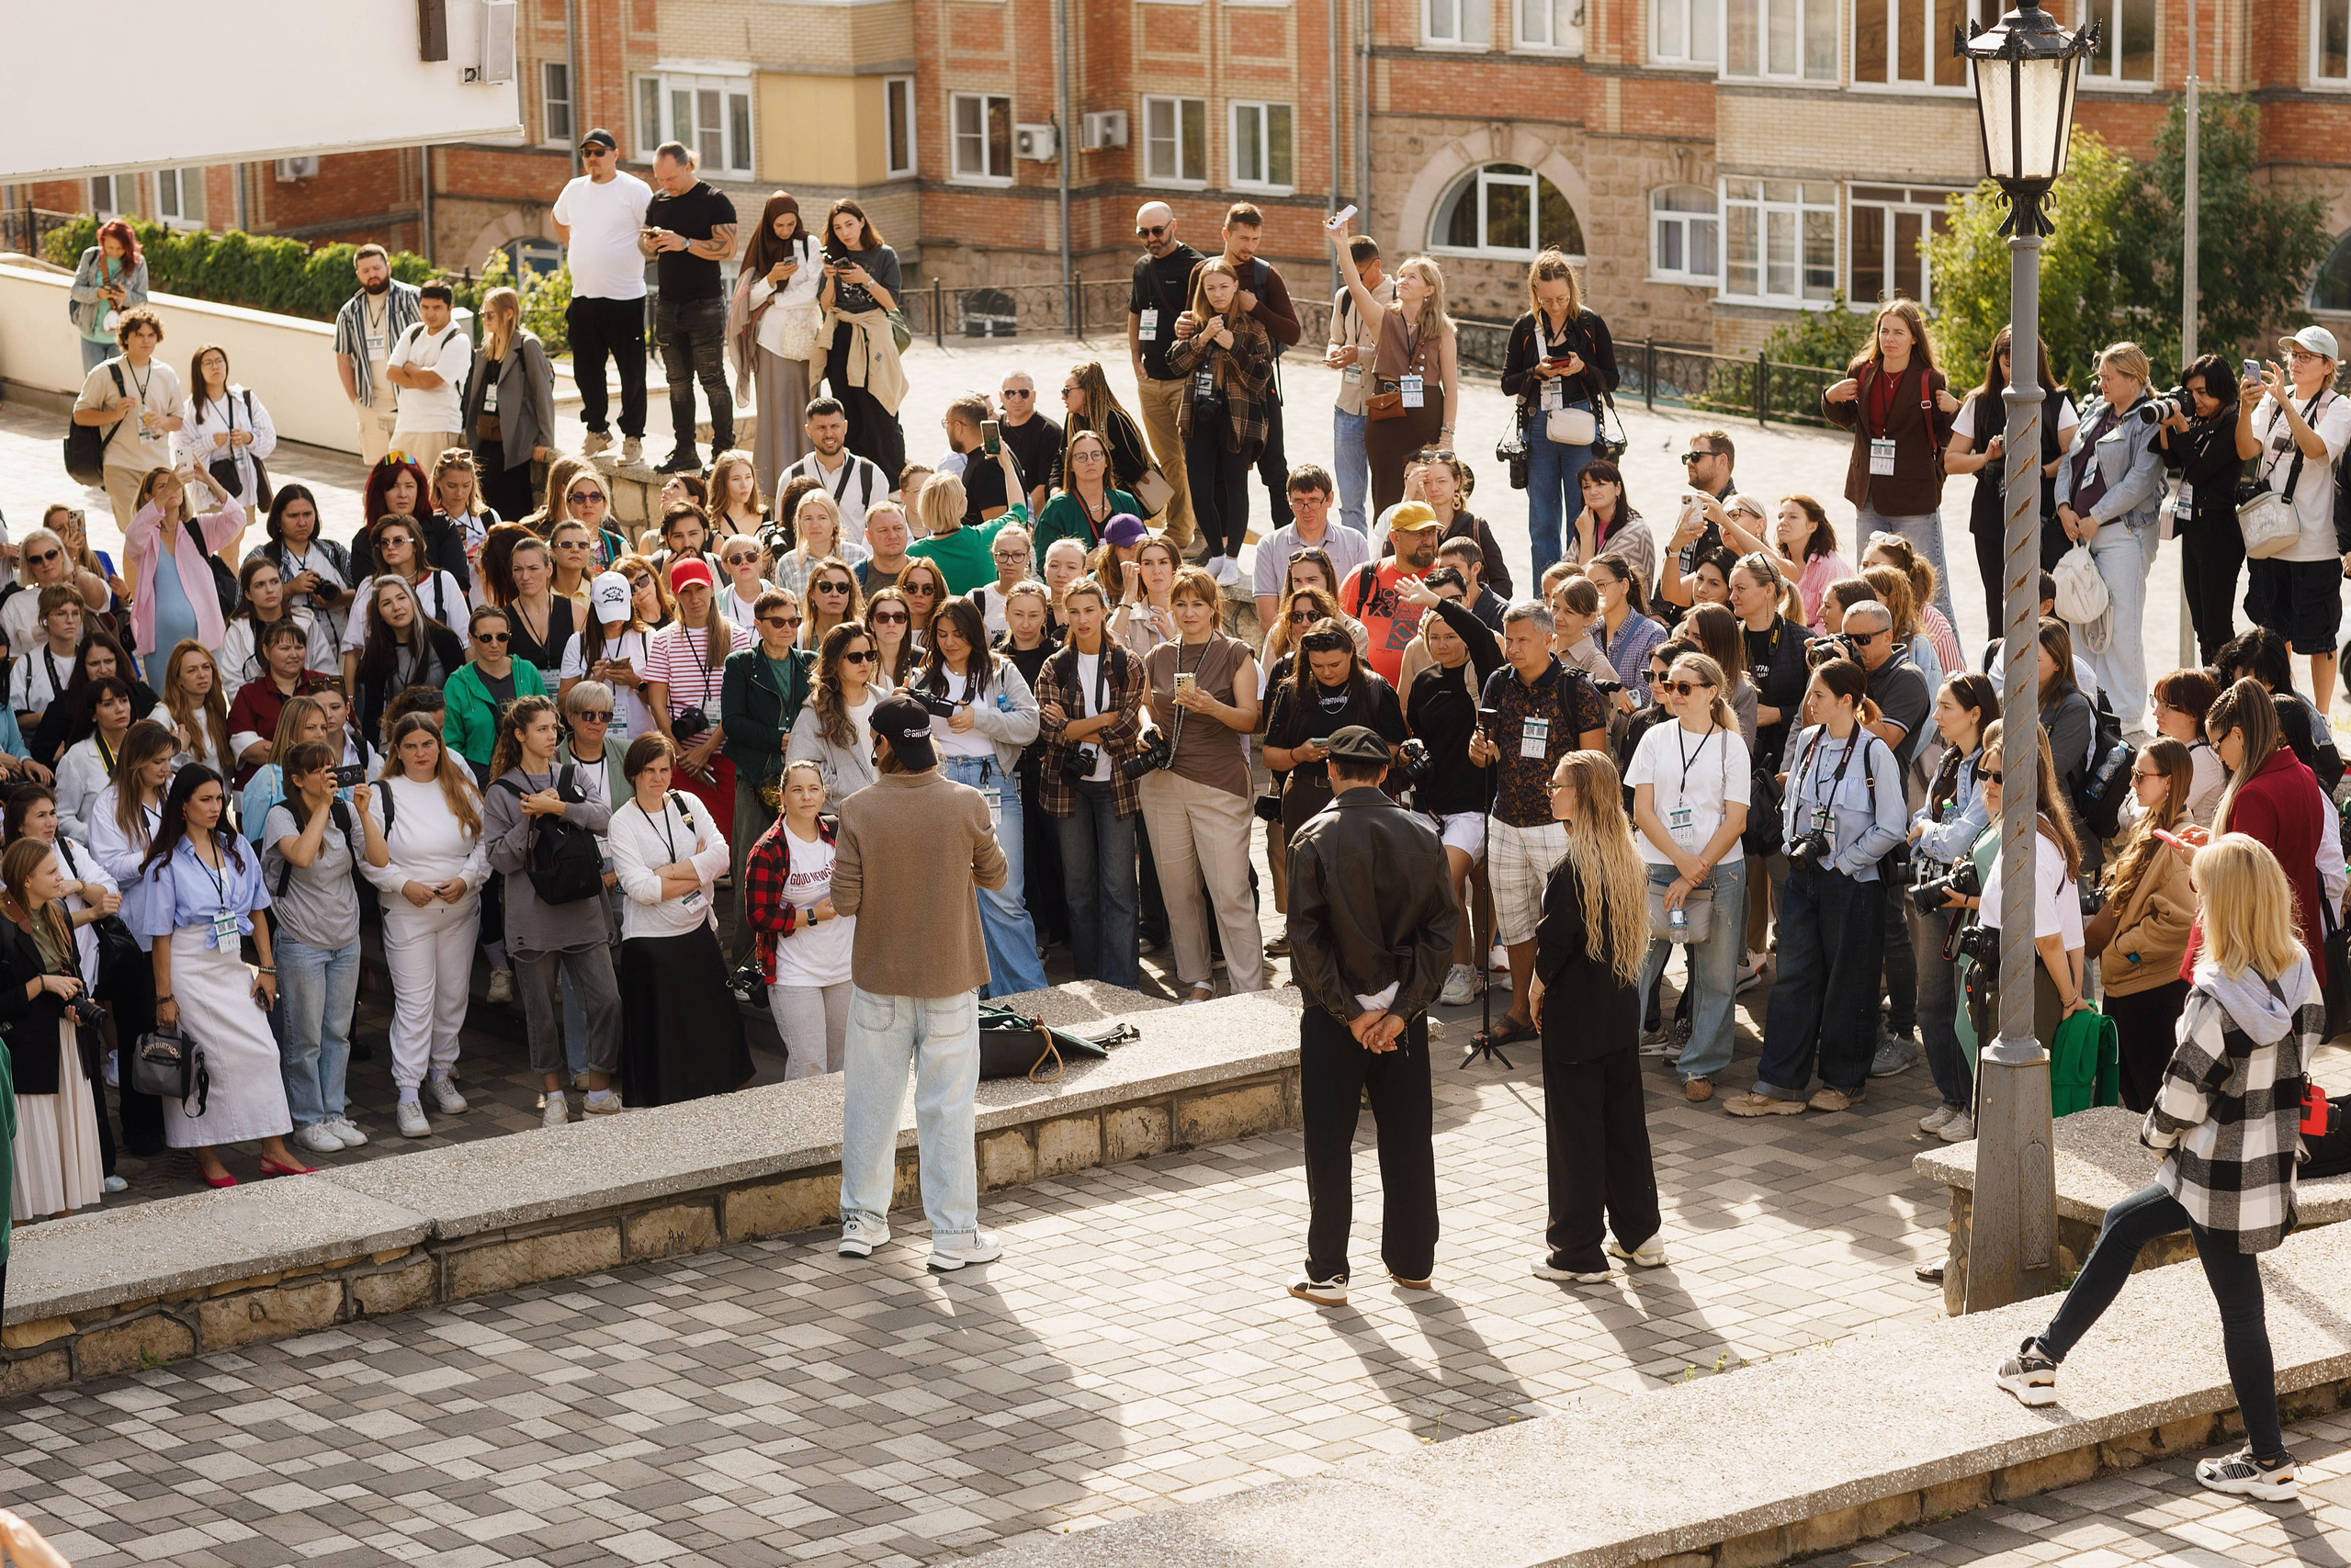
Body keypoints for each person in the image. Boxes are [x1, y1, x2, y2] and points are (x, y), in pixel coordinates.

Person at [1996, 831, 2315, 1504]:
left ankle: (2267, 1456)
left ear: (2223, 905)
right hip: (2262, 1164)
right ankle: (2042, 1357)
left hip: (2208, 1172)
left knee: (2241, 1309)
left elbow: (2176, 1099)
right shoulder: (2299, 975)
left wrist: (2153, 1138)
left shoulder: (2213, 998)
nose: (2195, 900)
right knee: (2122, 1224)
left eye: (2202, 890)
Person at [831, 693, 1009, 1269]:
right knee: (949, 1109)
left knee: (869, 1104)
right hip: (950, 975)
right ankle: (955, 1235)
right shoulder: (966, 802)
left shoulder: (857, 808)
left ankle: (862, 1220)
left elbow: (844, 899)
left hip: (880, 977)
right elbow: (996, 874)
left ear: (881, 745)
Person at [1282, 727, 1458, 1305]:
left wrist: (1351, 1013)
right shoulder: (1424, 833)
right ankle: (1413, 1265)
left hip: (1337, 1019)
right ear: (1384, 772)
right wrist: (1401, 1010)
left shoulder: (1312, 836)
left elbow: (1306, 942)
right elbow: (1442, 934)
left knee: (1328, 1143)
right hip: (1400, 1017)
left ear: (1330, 769)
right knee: (1408, 1138)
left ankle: (1328, 1272)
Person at [1724, 660, 1907, 1117]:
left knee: (1850, 981)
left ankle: (1845, 1082)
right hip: (1803, 876)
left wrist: (1845, 862)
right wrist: (1791, 846)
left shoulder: (1874, 753)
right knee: (1794, 977)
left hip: (1852, 882)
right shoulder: (1807, 742)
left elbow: (1892, 826)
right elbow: (1790, 806)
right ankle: (1778, 1084)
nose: (1809, 703)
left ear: (1847, 701)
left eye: (1819, 695)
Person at [1528, 748, 1662, 1280]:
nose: (1551, 792)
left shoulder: (1571, 869)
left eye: (1558, 785)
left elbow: (1553, 949)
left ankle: (1577, 1251)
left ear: (1582, 795)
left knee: (1575, 1134)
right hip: (1618, 1014)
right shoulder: (1627, 855)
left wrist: (1535, 991)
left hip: (1576, 1021)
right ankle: (1641, 1236)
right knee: (1624, 1125)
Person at [139, 765, 310, 1183]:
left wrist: (266, 968)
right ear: (183, 806)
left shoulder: (236, 848)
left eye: (220, 799)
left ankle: (273, 1149)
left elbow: (257, 909)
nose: (216, 807)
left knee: (263, 1051)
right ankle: (206, 1153)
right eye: (206, 800)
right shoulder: (165, 862)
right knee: (204, 1061)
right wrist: (165, 997)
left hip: (231, 962)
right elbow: (161, 938)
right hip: (189, 965)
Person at [1466, 601, 1610, 1044]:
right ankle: (1520, 1012)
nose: (1512, 648)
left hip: (1558, 826)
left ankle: (1565, 1009)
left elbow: (1597, 765)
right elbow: (1483, 748)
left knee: (1566, 919)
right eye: (1508, 639)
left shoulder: (1578, 692)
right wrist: (1479, 753)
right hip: (1505, 819)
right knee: (1514, 922)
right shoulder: (1496, 684)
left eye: (1522, 639)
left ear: (1550, 640)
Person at [482, 696, 626, 1124]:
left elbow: (604, 817)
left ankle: (598, 1090)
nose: (552, 736)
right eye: (543, 729)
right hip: (532, 917)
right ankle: (555, 1095)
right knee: (541, 1011)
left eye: (553, 728)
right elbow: (500, 860)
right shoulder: (501, 790)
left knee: (607, 1000)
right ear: (520, 735)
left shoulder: (570, 772)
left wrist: (557, 807)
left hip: (583, 909)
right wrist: (528, 818)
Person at [1626, 649, 1751, 1103]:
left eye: (1683, 687)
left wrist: (1694, 871)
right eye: (1667, 685)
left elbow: (1736, 820)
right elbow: (1642, 810)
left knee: (1716, 977)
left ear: (1711, 693)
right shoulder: (1654, 738)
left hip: (1720, 871)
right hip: (1660, 865)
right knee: (1637, 969)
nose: (1671, 693)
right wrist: (1683, 863)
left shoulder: (1730, 745)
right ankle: (1618, 1058)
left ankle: (1701, 1066)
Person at [1137, 568, 1263, 1002]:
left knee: (1229, 892)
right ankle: (1198, 980)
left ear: (1214, 608)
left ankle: (1248, 986)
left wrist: (1212, 707)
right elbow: (1144, 708)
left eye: (1197, 604)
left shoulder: (1235, 653)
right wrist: (1145, 728)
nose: (1188, 612)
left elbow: (1251, 720)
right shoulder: (1158, 656)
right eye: (1180, 603)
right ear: (1170, 607)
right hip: (1161, 783)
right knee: (1178, 891)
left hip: (1220, 784)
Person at [910, 598, 1046, 996]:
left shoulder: (1002, 671)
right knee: (954, 897)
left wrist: (979, 718)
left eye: (959, 633)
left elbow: (1030, 724)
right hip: (941, 784)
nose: (951, 642)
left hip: (993, 783)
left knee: (1004, 894)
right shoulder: (923, 676)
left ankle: (1029, 997)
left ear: (976, 634)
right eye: (942, 634)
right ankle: (978, 995)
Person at [362, 713, 489, 1134]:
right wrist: (402, 884)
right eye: (411, 746)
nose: (421, 753)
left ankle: (442, 1073)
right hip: (407, 913)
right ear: (397, 750)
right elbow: (369, 858)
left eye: (428, 744)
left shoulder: (461, 787)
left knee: (452, 996)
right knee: (416, 1003)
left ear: (440, 745)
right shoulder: (383, 794)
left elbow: (486, 843)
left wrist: (467, 878)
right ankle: (408, 1092)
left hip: (459, 909)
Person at [261, 740, 379, 1155]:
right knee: (304, 1038)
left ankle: (333, 1112)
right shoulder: (282, 815)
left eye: (332, 766)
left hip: (345, 938)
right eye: (319, 770)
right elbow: (303, 857)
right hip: (301, 941)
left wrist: (362, 811)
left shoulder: (346, 812)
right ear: (297, 779)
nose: (330, 774)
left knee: (337, 1034)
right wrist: (324, 808)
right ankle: (307, 1119)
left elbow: (379, 859)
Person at [1029, 580, 1145, 988]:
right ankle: (1090, 977)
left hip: (1116, 785)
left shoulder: (1127, 662)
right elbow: (1049, 728)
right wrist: (1102, 720)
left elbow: (1130, 728)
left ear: (1103, 610)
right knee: (1078, 889)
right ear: (1064, 614)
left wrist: (1075, 727)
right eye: (1073, 611)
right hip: (1067, 787)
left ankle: (1123, 981)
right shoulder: (1054, 665)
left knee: (1119, 888)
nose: (1082, 619)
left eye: (1089, 610)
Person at [1821, 299, 1961, 625]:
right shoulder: (1863, 370)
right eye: (1884, 331)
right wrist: (1830, 396)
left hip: (1914, 498)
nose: (1890, 339)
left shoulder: (1930, 379)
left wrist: (1954, 410)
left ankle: (1947, 659)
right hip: (1869, 492)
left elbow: (1945, 436)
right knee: (1868, 583)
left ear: (1914, 337)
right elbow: (1845, 418)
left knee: (1927, 591)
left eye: (1898, 332)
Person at [2053, 341, 2168, 736]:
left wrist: (2096, 517)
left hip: (2125, 534)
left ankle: (2126, 715)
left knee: (2120, 624)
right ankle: (2088, 702)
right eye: (2100, 374)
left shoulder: (2148, 419)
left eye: (2108, 375)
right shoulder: (2095, 412)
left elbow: (2141, 480)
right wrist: (2064, 507)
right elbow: (2071, 460)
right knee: (2082, 618)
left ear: (2133, 379)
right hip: (2083, 533)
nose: (2100, 381)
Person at [2237, 325, 2351, 711]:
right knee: (2273, 638)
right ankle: (2280, 712)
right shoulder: (2271, 402)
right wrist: (2246, 407)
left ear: (2327, 366)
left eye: (2306, 356)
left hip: (2314, 544)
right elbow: (2245, 450)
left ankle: (2320, 720)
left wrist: (2285, 403)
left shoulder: (2338, 406)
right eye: (2293, 355)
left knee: (2321, 641)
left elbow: (2317, 449)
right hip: (2269, 540)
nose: (2296, 362)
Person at [1905, 671, 1998, 1138]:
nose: (1937, 716)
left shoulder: (1990, 766)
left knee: (1966, 1008)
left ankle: (1971, 1106)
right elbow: (1926, 816)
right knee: (1932, 1003)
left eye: (1946, 708)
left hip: (1968, 903)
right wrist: (1930, 832)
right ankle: (1951, 1097)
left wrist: (1928, 834)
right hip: (1933, 894)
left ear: (1975, 712)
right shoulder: (1947, 759)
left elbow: (1963, 836)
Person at [0, 837, 106, 1217]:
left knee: (64, 1150)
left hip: (65, 1042)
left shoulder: (58, 913)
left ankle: (65, 1228)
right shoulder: (2, 924)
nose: (61, 878)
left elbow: (72, 973)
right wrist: (41, 985)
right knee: (34, 1148)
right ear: (25, 880)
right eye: (51, 871)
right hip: (24, 1054)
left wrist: (80, 1003)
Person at [2092, 738, 2199, 1112]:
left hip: (2151, 988)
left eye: (2140, 775)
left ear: (2169, 782)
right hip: (2128, 984)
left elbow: (2181, 921)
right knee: (2131, 1090)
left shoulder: (2179, 842)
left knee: (2148, 1095)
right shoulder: (2150, 824)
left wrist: (2125, 950)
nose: (2132, 783)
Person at [1501, 248, 1618, 582]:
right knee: (1541, 519)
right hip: (1539, 424)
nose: (1554, 306)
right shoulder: (1526, 327)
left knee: (1581, 515)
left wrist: (1582, 369)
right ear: (1535, 292)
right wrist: (1535, 373)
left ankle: (1576, 589)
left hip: (1580, 422)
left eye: (1562, 299)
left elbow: (1611, 378)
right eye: (1547, 300)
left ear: (1573, 291)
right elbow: (1507, 383)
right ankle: (1546, 595)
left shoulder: (1590, 324)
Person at [1328, 222, 1459, 518]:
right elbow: (1356, 287)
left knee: (1426, 498)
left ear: (1429, 289)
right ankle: (1384, 558)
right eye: (1401, 275)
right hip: (1386, 416)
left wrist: (1447, 435)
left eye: (1412, 276)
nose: (1403, 280)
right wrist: (1340, 243)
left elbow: (1451, 388)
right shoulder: (1384, 319)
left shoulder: (1444, 331)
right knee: (1386, 500)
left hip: (1426, 419)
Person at [1947, 328, 2077, 626]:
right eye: (2007, 365)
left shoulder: (2056, 401)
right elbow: (1951, 461)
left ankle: (2049, 669)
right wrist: (1986, 457)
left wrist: (2040, 471)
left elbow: (2074, 456)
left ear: (2037, 361)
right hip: (1993, 517)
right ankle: (2000, 671)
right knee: (1998, 606)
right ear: (1997, 362)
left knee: (2048, 608)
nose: (2014, 373)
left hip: (2045, 516)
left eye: (2021, 365)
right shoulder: (1979, 402)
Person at [547, 128, 653, 465]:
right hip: (584, 296)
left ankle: (633, 437)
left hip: (625, 298)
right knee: (586, 370)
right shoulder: (574, 189)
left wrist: (634, 252)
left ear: (615, 154)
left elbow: (649, 232)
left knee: (631, 373)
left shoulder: (635, 189)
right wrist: (578, 247)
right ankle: (597, 431)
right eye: (587, 153)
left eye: (599, 152)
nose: (593, 158)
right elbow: (558, 218)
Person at [720, 586, 814, 964]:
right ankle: (744, 964)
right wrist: (779, 740)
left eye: (794, 620)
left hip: (803, 777)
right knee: (751, 868)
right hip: (758, 776)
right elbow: (732, 723)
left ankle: (796, 957)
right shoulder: (741, 663)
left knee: (805, 868)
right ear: (758, 624)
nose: (788, 628)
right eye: (778, 622)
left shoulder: (809, 661)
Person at [639, 142, 740, 473]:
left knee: (712, 379)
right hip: (667, 303)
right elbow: (644, 248)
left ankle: (723, 452)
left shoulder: (714, 200)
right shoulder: (659, 201)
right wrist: (650, 242)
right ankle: (684, 450)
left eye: (669, 178)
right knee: (677, 382)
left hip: (705, 303)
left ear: (687, 167)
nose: (664, 184)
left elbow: (727, 248)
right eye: (659, 178)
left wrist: (683, 242)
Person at [644, 558, 751, 846]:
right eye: (686, 591)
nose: (694, 598)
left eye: (699, 589)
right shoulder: (663, 640)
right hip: (682, 759)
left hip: (725, 753)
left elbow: (741, 702)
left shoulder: (736, 636)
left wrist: (706, 749)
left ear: (712, 589)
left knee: (728, 835)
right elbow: (657, 703)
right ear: (675, 595)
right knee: (687, 837)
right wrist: (681, 754)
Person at [1126, 202, 1208, 552]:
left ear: (1173, 226)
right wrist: (1133, 357)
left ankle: (1207, 532)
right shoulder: (1142, 267)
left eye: (1157, 231)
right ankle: (1178, 532)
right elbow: (1134, 312)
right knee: (1169, 460)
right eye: (1143, 233)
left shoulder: (1196, 266)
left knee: (1196, 457)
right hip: (1151, 379)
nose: (1151, 239)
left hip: (1184, 379)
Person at [729, 193, 825, 491]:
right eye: (779, 225)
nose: (785, 230)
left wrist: (775, 298)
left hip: (804, 342)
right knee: (774, 411)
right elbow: (747, 298)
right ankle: (773, 482)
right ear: (769, 223)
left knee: (805, 406)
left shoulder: (809, 245)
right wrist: (770, 279)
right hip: (770, 343)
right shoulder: (759, 248)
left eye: (790, 223)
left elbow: (812, 293)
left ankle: (809, 478)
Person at [813, 198, 908, 479]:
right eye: (838, 227)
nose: (845, 232)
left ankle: (892, 480)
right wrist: (830, 279)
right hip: (841, 337)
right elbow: (825, 305)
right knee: (848, 412)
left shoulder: (884, 255)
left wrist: (865, 279)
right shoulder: (832, 256)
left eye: (849, 224)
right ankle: (856, 477)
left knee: (881, 409)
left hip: (873, 337)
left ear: (862, 222)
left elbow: (891, 302)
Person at [462, 288, 560, 525]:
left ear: (508, 314)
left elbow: (543, 394)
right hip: (486, 437)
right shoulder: (487, 349)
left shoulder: (527, 345)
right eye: (483, 314)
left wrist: (546, 440)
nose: (484, 320)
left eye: (490, 315)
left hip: (515, 441)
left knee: (511, 506)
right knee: (483, 501)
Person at [1323, 234, 1395, 536]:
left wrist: (1358, 355)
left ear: (1375, 266)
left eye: (1357, 273)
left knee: (1386, 497)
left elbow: (1396, 351)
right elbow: (1334, 340)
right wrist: (1334, 354)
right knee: (1349, 499)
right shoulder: (1345, 296)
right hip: (1347, 406)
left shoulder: (1398, 297)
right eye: (1345, 273)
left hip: (1384, 408)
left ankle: (1383, 558)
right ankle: (1356, 562)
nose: (1351, 279)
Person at [1253, 466, 1373, 637]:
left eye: (1314, 500)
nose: (1306, 509)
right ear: (1288, 500)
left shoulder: (1355, 542)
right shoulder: (1269, 546)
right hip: (1290, 643)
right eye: (1299, 502)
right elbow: (1268, 619)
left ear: (1329, 499)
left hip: (1343, 642)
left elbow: (1363, 609)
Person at [331, 247, 423, 466]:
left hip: (411, 402)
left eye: (376, 268)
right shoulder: (349, 312)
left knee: (414, 469)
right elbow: (343, 357)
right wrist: (356, 401)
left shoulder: (412, 298)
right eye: (365, 270)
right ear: (358, 275)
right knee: (380, 472)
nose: (372, 274)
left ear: (388, 268)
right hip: (372, 405)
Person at [443, 604, 549, 784]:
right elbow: (451, 746)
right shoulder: (457, 683)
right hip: (479, 777)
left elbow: (547, 721)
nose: (494, 644)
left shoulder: (527, 671)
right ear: (471, 638)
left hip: (529, 771)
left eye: (501, 637)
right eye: (485, 638)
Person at [245, 485, 356, 646]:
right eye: (293, 516)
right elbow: (243, 606)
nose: (302, 522)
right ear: (278, 519)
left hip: (344, 653)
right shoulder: (262, 557)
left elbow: (367, 594)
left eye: (307, 514)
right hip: (289, 658)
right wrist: (290, 589)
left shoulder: (334, 552)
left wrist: (339, 598)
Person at [175, 344, 277, 517]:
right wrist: (209, 442)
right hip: (209, 489)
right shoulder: (190, 410)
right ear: (198, 370)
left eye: (219, 361)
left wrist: (248, 438)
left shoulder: (243, 399)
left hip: (242, 483)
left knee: (235, 539)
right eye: (208, 363)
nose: (215, 366)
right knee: (217, 539)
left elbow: (268, 438)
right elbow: (181, 454)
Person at [786, 620, 884, 800]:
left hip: (884, 808)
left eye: (869, 655)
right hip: (839, 814)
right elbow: (798, 768)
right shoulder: (816, 711)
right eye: (855, 657)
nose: (864, 662)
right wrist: (842, 782)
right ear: (836, 661)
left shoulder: (884, 700)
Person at [777, 399, 892, 549]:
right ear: (808, 431)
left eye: (834, 426)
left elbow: (880, 526)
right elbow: (783, 526)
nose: (829, 434)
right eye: (821, 428)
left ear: (845, 427)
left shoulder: (871, 475)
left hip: (856, 564)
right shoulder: (792, 476)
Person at [221, 558, 338, 701]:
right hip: (259, 713)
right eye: (260, 585)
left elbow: (325, 670)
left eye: (275, 582)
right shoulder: (237, 630)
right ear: (248, 595)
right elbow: (234, 684)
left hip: (308, 709)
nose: (270, 590)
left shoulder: (305, 621)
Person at [1034, 431, 1143, 571]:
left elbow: (1144, 550)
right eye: (1081, 457)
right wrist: (1083, 564)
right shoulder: (1056, 508)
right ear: (1070, 465)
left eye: (1096, 455)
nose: (1090, 461)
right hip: (1077, 589)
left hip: (1125, 585)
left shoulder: (1126, 501)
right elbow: (1044, 564)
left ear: (1106, 461)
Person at [1057, 361, 1157, 512]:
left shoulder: (1115, 420)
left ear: (1087, 390)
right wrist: (1055, 488)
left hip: (1119, 500)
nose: (1063, 397)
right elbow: (1060, 458)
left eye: (1067, 390)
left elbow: (1135, 467)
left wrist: (1096, 476)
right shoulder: (1072, 419)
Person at [68, 220, 147, 375]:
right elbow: (76, 291)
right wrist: (97, 293)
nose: (115, 252)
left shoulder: (138, 263)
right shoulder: (90, 256)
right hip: (90, 334)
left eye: (120, 248)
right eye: (110, 247)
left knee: (122, 386)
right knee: (94, 385)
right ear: (102, 242)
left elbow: (143, 301)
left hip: (122, 337)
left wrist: (126, 296)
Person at [2150, 669, 2226, 828]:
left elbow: (2155, 817)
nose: (2156, 712)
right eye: (2157, 703)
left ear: (2193, 714)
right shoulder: (2175, 747)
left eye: (2166, 706)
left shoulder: (2205, 758)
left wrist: (2131, 807)